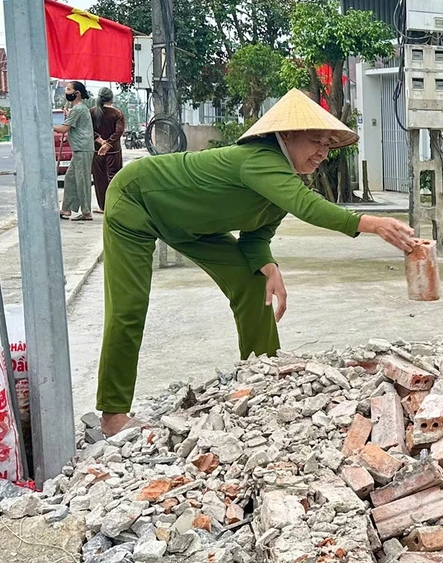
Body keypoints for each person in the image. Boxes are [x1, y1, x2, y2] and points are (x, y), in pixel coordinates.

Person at [97, 88, 417, 437]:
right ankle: (113, 415)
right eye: (315, 141)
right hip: (136, 201)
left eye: (328, 144)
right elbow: (308, 206)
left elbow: (256, 236)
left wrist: (268, 266)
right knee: (128, 309)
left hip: (193, 226)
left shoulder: (283, 180)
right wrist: (374, 224)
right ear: (287, 135)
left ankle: (265, 380)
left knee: (254, 285)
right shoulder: (260, 160)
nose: (323, 151)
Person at [55, 81, 94, 221]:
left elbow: (64, 129)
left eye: (69, 89)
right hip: (79, 149)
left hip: (83, 148)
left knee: (82, 181)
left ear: (77, 93)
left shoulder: (79, 109)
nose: (67, 92)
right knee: (70, 179)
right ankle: (66, 209)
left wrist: (47, 125)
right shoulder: (77, 109)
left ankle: (86, 211)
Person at [90, 87, 125, 212]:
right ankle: (114, 206)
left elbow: (88, 129)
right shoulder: (117, 114)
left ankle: (103, 207)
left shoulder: (92, 112)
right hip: (113, 152)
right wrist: (108, 144)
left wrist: (100, 141)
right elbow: (119, 131)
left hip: (97, 151)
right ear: (111, 98)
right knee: (114, 178)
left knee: (99, 179)